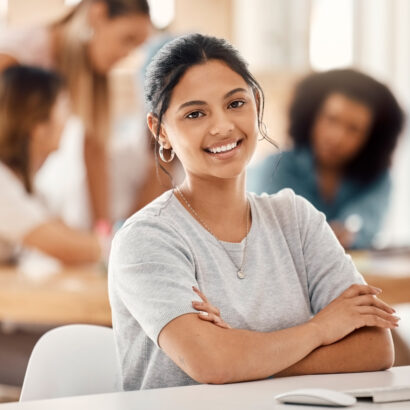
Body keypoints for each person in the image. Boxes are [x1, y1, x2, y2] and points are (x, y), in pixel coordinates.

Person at [108, 34, 398, 391]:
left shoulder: (297, 218)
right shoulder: (146, 238)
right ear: (160, 131)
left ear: (256, 104)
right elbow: (213, 363)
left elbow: (373, 347)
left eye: (235, 103)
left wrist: (241, 354)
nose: (222, 126)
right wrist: (321, 329)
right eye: (195, 113)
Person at [0, 0, 151, 229]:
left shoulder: (90, 75)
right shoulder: (17, 54)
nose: (126, 55)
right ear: (98, 14)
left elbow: (94, 150)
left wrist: (105, 230)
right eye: (127, 40)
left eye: (135, 47)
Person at [247, 69, 404, 249]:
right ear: (312, 116)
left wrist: (349, 231)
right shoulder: (275, 167)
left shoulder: (377, 178)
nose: (337, 137)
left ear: (372, 138)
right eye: (331, 119)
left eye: (353, 129)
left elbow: (365, 222)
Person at [0, 65, 101, 265]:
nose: (69, 119)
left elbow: (64, 232)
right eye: (64, 106)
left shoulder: (25, 187)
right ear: (37, 124)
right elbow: (67, 248)